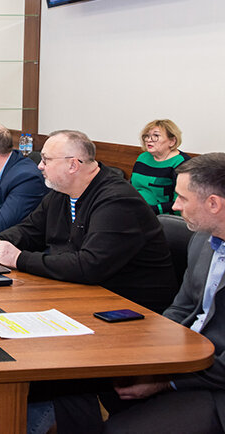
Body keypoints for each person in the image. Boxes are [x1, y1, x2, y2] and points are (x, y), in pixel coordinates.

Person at [0, 130, 177, 313]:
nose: (40, 166)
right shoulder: (62, 191)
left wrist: (19, 258)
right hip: (81, 292)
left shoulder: (117, 201)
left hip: (129, 308)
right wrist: (0, 239)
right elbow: (32, 229)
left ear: (73, 165)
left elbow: (89, 265)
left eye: (46, 160)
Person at [99, 153, 225, 433]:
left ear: (213, 204)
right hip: (186, 360)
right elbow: (181, 308)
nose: (175, 206)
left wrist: (165, 381)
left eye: (182, 198)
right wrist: (150, 357)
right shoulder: (203, 240)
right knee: (92, 382)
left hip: (215, 384)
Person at [130, 119, 192, 215]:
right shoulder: (143, 158)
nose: (149, 140)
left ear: (172, 141)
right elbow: (132, 186)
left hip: (162, 216)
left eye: (156, 136)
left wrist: (150, 210)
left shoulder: (182, 163)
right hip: (134, 209)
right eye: (147, 136)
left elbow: (181, 202)